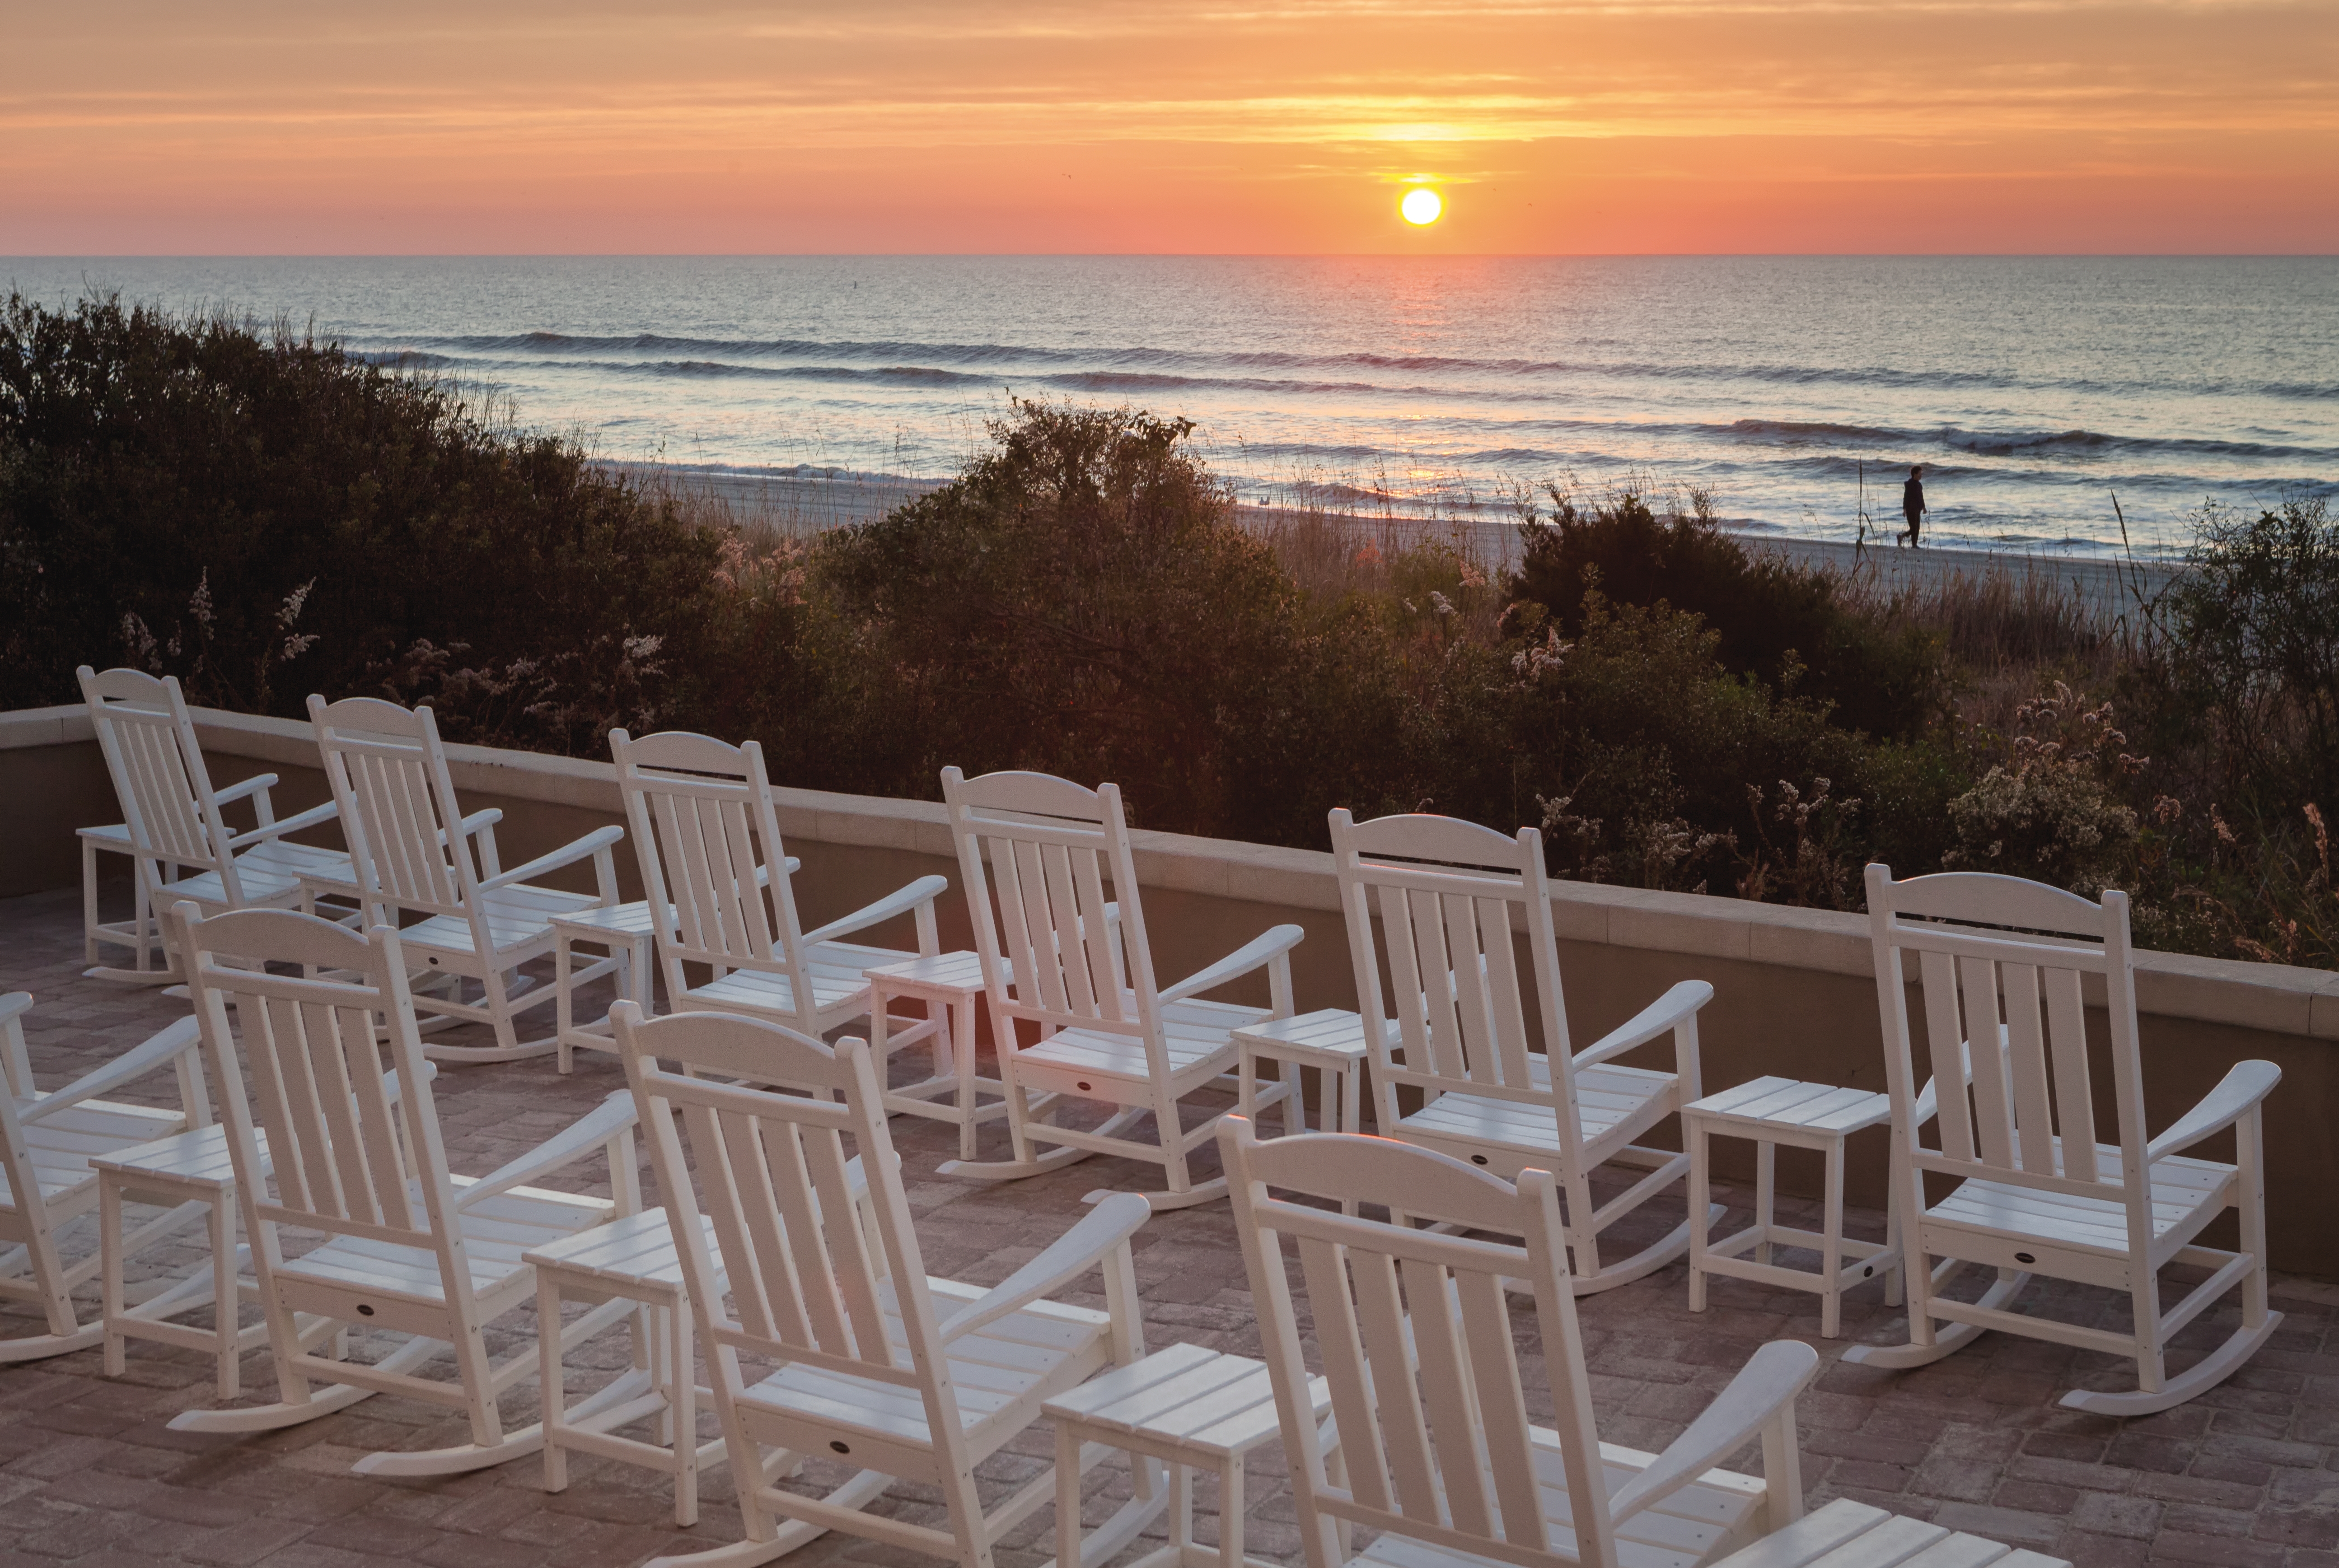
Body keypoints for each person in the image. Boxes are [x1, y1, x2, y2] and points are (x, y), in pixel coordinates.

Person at [1900, 465, 1928, 547]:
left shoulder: (1919, 485)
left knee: (1917, 528)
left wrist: (1924, 507)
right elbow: (1906, 497)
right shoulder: (1909, 485)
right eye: (1920, 474)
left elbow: (1921, 497)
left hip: (1917, 509)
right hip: (1910, 509)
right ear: (1915, 474)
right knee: (1914, 528)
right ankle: (1904, 538)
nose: (1921, 475)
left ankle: (1914, 544)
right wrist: (1905, 509)